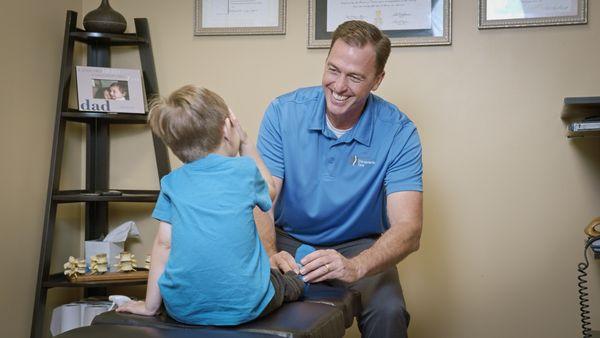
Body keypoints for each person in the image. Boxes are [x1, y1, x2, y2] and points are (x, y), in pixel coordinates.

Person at [255, 20, 423, 338]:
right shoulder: (283, 113)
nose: (339, 86)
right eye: (333, 70)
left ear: (377, 80)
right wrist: (268, 252)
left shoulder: (400, 132)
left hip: (359, 245)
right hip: (288, 239)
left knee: (389, 312)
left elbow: (409, 228)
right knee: (260, 306)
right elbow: (263, 197)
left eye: (355, 77)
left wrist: (356, 266)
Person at [116, 85, 304, 325]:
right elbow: (271, 189)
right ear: (227, 129)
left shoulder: (172, 184)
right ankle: (300, 274)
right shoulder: (244, 171)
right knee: (282, 282)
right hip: (246, 305)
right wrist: (245, 143)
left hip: (183, 309)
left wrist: (150, 306)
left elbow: (163, 245)